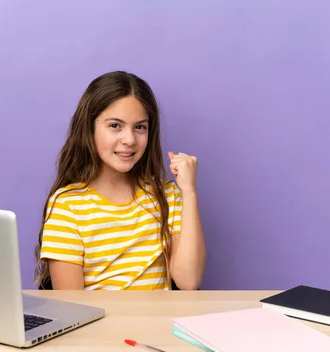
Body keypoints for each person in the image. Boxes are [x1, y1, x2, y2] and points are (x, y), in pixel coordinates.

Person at [34, 71, 205, 290]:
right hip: (99, 324)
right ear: (90, 128)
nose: (129, 140)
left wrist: (189, 191)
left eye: (140, 127)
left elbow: (189, 282)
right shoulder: (67, 206)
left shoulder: (166, 195)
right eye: (115, 126)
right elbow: (71, 306)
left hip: (157, 324)